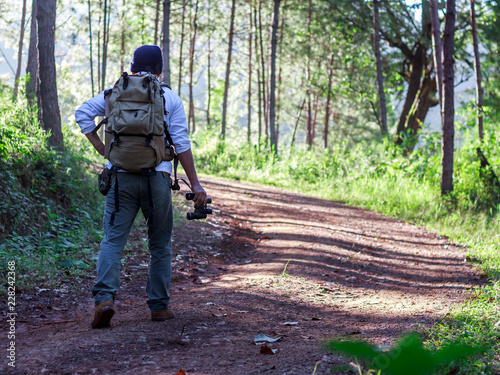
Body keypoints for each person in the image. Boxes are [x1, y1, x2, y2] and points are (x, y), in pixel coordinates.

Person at [75, 45, 207, 328]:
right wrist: (195, 183)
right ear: (160, 69)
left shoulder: (115, 92)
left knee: (113, 240)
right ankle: (159, 307)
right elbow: (181, 143)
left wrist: (103, 148)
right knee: (159, 244)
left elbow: (83, 113)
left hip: (120, 178)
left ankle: (104, 300)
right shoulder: (168, 96)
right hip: (156, 180)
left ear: (133, 66)